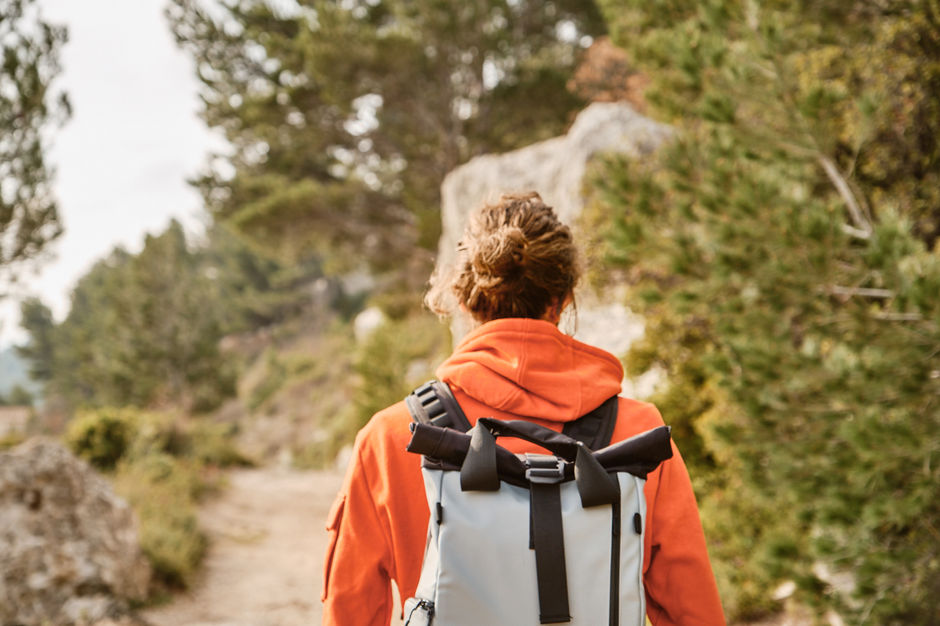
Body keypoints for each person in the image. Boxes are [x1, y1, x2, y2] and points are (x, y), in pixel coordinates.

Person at [321, 192, 725, 625]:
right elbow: (691, 609)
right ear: (566, 297)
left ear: (463, 299)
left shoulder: (394, 438)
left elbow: (350, 610)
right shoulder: (639, 435)